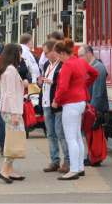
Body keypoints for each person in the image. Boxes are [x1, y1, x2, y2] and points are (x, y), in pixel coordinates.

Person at [52, 39, 99, 180]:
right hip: (81, 101)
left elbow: (63, 87)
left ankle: (73, 170)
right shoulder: (80, 61)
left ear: (61, 53)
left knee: (71, 137)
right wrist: (84, 85)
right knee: (78, 136)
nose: (58, 58)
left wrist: (56, 101)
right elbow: (95, 73)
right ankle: (79, 167)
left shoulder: (67, 66)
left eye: (58, 55)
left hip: (70, 103)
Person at [0, 43, 27, 182]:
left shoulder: (7, 69)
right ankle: (4, 170)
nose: (21, 56)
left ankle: (10, 170)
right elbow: (10, 93)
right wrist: (15, 114)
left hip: (9, 109)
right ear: (14, 54)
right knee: (14, 140)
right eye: (19, 53)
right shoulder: (10, 70)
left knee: (14, 138)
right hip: (11, 110)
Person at [38, 40, 69, 173]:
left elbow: (63, 84)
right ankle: (54, 160)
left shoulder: (62, 65)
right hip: (46, 102)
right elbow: (44, 82)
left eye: (46, 53)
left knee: (60, 133)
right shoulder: (46, 65)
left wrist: (52, 81)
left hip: (57, 104)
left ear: (53, 52)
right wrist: (41, 82)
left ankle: (67, 161)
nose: (44, 56)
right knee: (50, 133)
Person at [78, 44, 108, 167]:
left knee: (93, 134)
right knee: (90, 134)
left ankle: (95, 157)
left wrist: (93, 110)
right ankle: (92, 156)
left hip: (95, 107)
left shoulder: (98, 68)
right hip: (91, 106)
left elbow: (98, 92)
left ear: (89, 54)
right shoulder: (93, 67)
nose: (79, 58)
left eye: (81, 55)